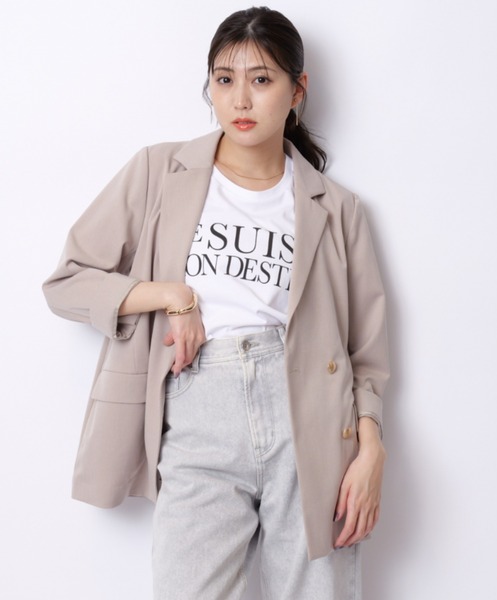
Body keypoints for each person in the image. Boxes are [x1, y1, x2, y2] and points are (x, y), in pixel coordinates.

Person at [43, 6, 389, 599]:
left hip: (309, 417)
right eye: (224, 79)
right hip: (198, 410)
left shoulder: (337, 209)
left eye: (262, 79)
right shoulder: (159, 170)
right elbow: (68, 281)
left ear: (297, 90)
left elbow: (367, 355)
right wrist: (170, 296)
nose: (240, 100)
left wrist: (371, 448)